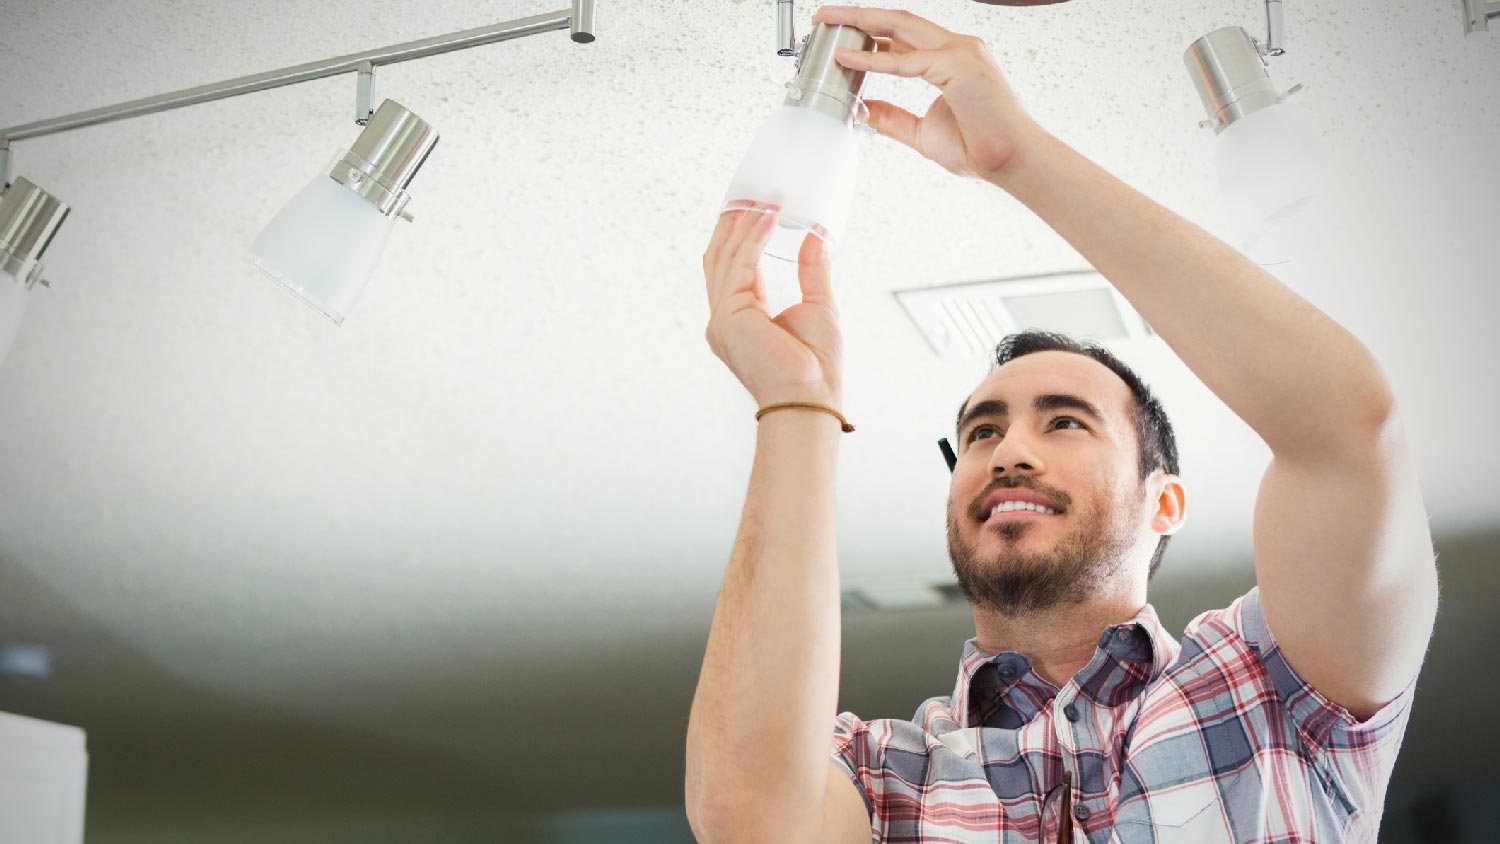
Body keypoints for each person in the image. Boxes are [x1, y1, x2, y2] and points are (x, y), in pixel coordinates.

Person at [685, 5, 1437, 843]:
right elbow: (746, 818)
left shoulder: (1276, 690)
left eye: (1067, 423)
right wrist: (798, 402)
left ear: (1166, 503)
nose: (1008, 451)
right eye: (981, 432)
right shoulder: (879, 775)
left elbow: (1350, 433)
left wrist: (1017, 158)